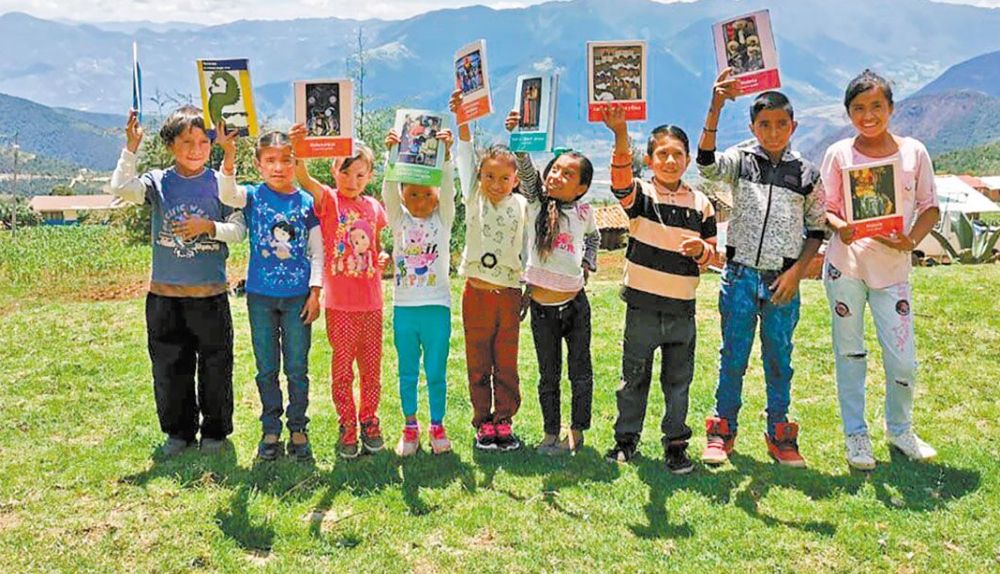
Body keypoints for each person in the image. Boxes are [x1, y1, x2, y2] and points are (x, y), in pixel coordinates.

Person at [697, 72, 828, 468]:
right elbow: (706, 164)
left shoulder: (807, 174)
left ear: (793, 126)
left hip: (782, 281)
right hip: (739, 275)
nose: (773, 132)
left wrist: (796, 273)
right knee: (733, 355)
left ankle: (780, 434)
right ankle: (722, 431)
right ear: (752, 127)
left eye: (781, 124)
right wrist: (716, 105)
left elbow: (817, 230)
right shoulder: (741, 161)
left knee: (779, 359)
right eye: (764, 124)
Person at [820, 69, 940, 470]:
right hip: (846, 267)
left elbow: (930, 207)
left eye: (876, 106)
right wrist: (842, 227)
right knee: (850, 353)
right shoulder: (839, 154)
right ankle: (856, 435)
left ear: (891, 108)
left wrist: (911, 240)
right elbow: (827, 208)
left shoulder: (913, 153)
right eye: (858, 108)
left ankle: (900, 428)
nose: (868, 115)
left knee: (903, 359)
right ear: (848, 112)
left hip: (893, 271)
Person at [109, 107, 246, 457]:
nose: (196, 149)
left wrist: (209, 227)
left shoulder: (221, 183)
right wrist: (131, 147)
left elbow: (238, 231)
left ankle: (215, 432)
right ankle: (178, 432)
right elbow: (121, 188)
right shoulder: (158, 182)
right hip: (164, 297)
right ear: (170, 145)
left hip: (210, 295)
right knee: (170, 367)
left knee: (216, 366)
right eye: (187, 142)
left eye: (203, 142)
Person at [601, 105, 717, 474]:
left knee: (678, 382)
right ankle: (626, 440)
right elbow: (620, 180)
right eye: (662, 154)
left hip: (682, 310)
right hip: (642, 309)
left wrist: (701, 251)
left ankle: (676, 445)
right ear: (649, 160)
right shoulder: (641, 195)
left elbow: (713, 255)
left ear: (688, 160)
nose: (670, 161)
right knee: (633, 378)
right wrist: (621, 134)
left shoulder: (702, 204)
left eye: (677, 154)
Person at [217, 129, 323, 462]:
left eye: (286, 160)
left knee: (297, 368)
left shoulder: (306, 202)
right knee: (266, 368)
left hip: (297, 299)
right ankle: (270, 428)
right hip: (260, 298)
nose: (279, 167)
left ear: (296, 162)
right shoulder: (252, 196)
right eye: (271, 160)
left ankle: (298, 427)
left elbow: (317, 252)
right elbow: (226, 192)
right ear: (258, 164)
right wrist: (229, 154)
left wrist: (315, 292)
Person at [290, 125, 389, 459]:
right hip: (341, 307)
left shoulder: (374, 207)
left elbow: (376, 245)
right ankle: (347, 423)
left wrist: (383, 257)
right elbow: (303, 178)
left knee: (372, 370)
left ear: (370, 176)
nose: (352, 181)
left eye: (360, 175)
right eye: (345, 173)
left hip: (372, 305)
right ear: (334, 171)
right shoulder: (329, 201)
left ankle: (369, 420)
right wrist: (299, 147)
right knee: (343, 369)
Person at [504, 110, 599, 455]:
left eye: (568, 174)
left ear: (582, 187)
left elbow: (593, 238)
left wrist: (588, 263)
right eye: (555, 169)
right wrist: (518, 138)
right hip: (542, 310)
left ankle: (577, 430)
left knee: (580, 371)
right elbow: (527, 171)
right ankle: (549, 432)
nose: (557, 176)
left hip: (575, 306)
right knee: (549, 375)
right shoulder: (537, 203)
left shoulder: (585, 213)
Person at [452, 90, 529, 452]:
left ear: (515, 179)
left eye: (504, 178)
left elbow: (529, 249)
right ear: (479, 177)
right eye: (489, 176)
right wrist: (462, 121)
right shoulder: (474, 197)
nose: (496, 184)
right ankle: (483, 420)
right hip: (477, 294)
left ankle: (504, 419)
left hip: (509, 295)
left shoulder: (523, 205)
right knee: (479, 360)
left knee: (506, 360)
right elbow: (465, 155)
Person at [382, 126, 457, 456]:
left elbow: (449, 190)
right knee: (408, 371)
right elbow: (388, 191)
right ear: (402, 197)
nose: (421, 201)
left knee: (436, 371)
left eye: (428, 194)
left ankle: (437, 425)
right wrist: (391, 156)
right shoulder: (399, 221)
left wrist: (447, 157)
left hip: (437, 307)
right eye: (413, 195)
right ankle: (410, 426)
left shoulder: (443, 221)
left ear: (437, 195)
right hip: (405, 309)